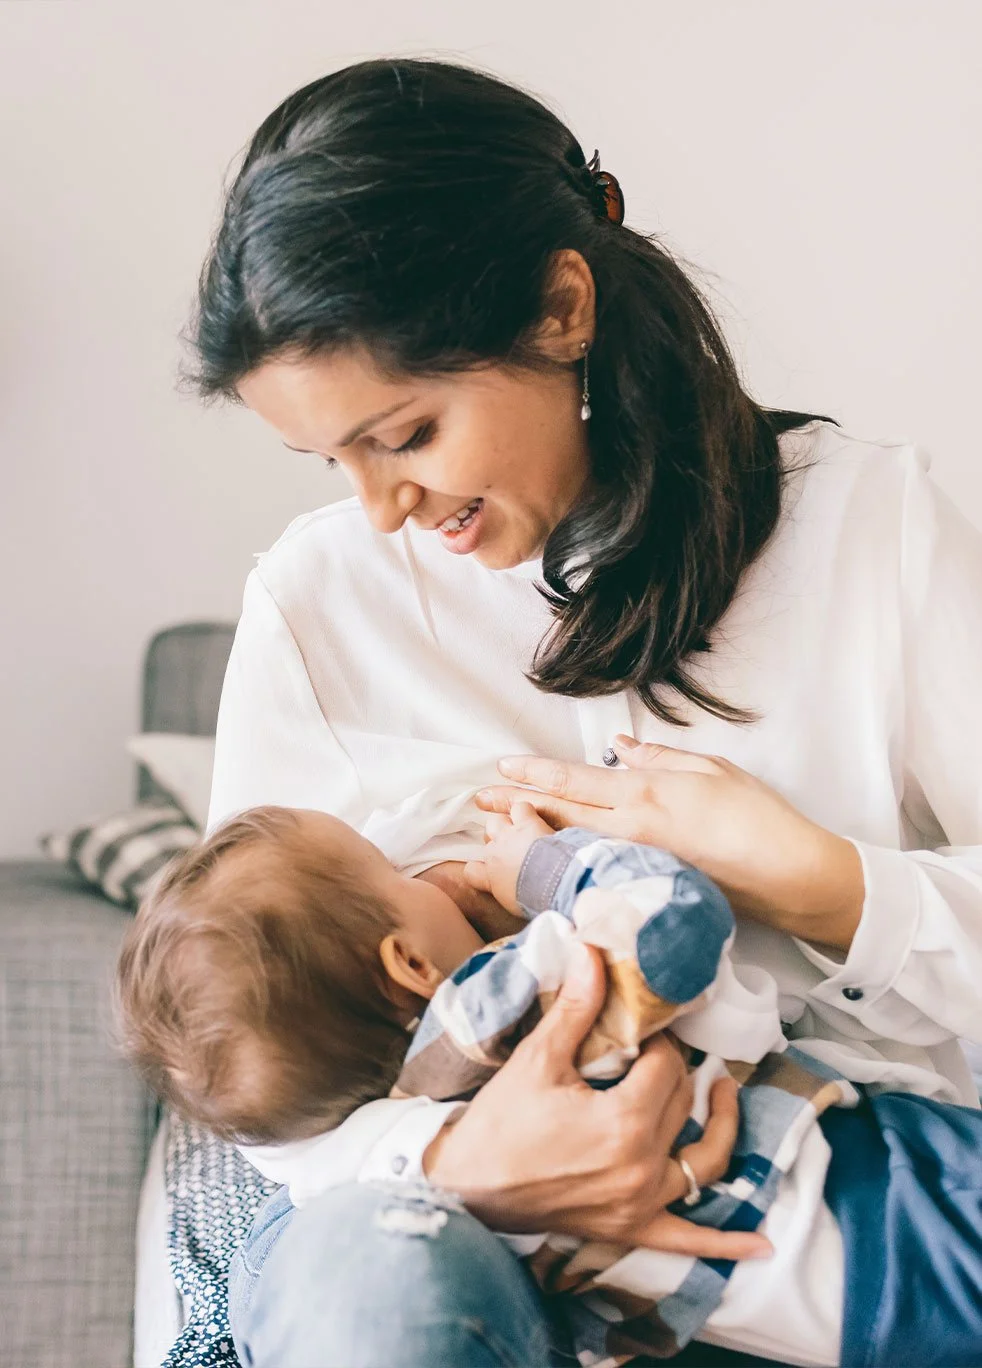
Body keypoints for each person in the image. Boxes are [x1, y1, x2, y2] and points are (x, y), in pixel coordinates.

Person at [181, 54, 982, 1368]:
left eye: (408, 433)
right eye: (333, 459)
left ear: (560, 309)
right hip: (453, 1242)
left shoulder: (868, 532)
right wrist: (455, 1154)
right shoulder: (321, 603)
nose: (378, 509)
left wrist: (827, 887)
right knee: (367, 1289)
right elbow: (247, 1035)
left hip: (833, 1215)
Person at [113, 797, 982, 1366]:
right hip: (880, 1201)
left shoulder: (335, 1148)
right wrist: (547, 869)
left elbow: (294, 1169)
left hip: (802, 1316)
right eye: (396, 872)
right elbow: (675, 920)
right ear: (411, 964)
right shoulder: (513, 1002)